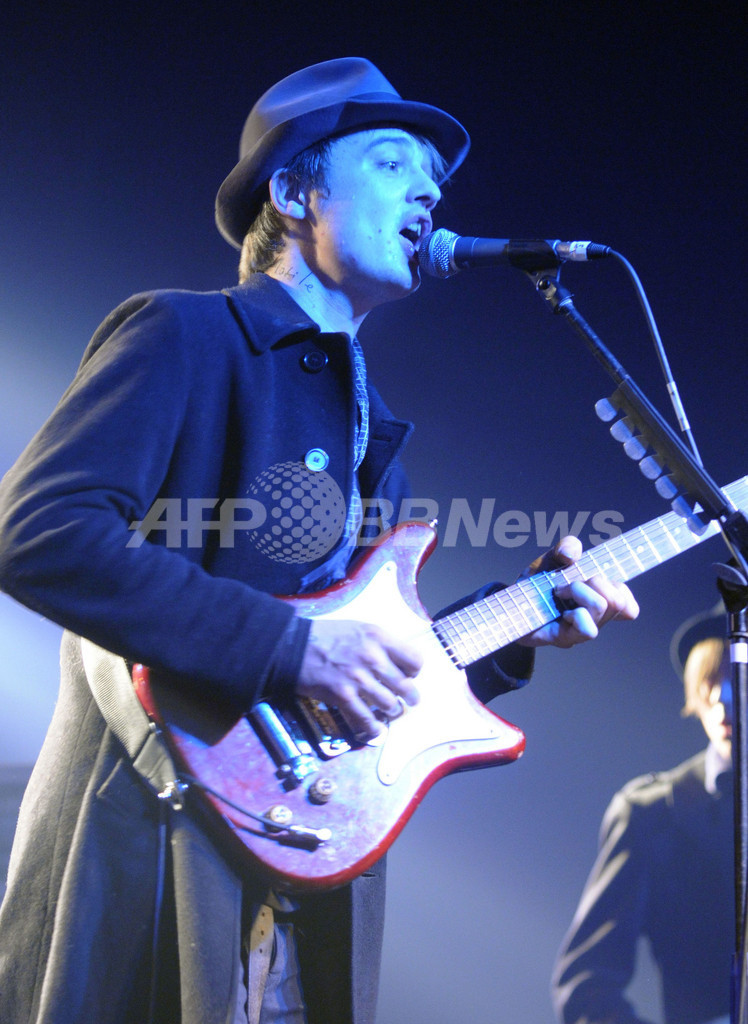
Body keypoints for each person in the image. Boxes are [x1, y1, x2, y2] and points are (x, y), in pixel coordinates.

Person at [0, 57, 637, 1024]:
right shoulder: (185, 337)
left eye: (434, 178)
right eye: (392, 162)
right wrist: (288, 647)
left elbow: (361, 670)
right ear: (293, 194)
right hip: (155, 850)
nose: (429, 192)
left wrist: (522, 623)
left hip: (306, 888)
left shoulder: (374, 436)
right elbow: (38, 529)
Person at [551, 631, 734, 1024]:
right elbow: (585, 987)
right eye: (709, 681)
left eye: (737, 677)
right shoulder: (653, 813)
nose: (722, 698)